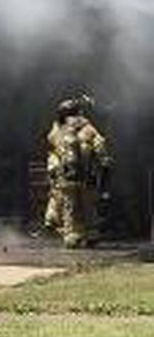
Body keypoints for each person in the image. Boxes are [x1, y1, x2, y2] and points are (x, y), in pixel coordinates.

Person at [44, 95, 112, 248]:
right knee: (88, 207)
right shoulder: (88, 128)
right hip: (86, 176)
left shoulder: (58, 130)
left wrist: (53, 171)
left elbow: (53, 152)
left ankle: (73, 236)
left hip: (67, 178)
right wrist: (103, 166)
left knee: (71, 208)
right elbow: (101, 149)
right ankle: (90, 234)